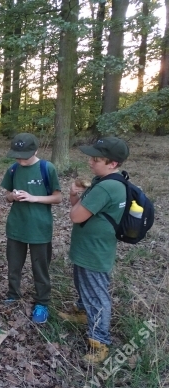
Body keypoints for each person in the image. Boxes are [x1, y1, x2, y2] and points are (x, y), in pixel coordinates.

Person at [61, 137, 129, 363]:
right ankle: (81, 312)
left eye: (96, 159)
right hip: (87, 248)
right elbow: (78, 207)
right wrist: (75, 194)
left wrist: (79, 202)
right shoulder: (102, 180)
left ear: (113, 163)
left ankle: (100, 341)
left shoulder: (108, 186)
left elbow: (75, 216)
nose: (90, 162)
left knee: (97, 296)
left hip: (95, 251)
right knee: (84, 286)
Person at [0, 133, 62, 324]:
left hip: (39, 228)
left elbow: (58, 197)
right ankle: (13, 295)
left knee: (40, 268)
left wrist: (34, 198)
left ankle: (42, 302)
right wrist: (13, 197)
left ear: (35, 151)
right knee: (14, 265)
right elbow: (7, 195)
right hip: (17, 226)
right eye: (17, 156)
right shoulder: (13, 170)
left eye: (24, 156)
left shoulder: (46, 168)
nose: (20, 160)